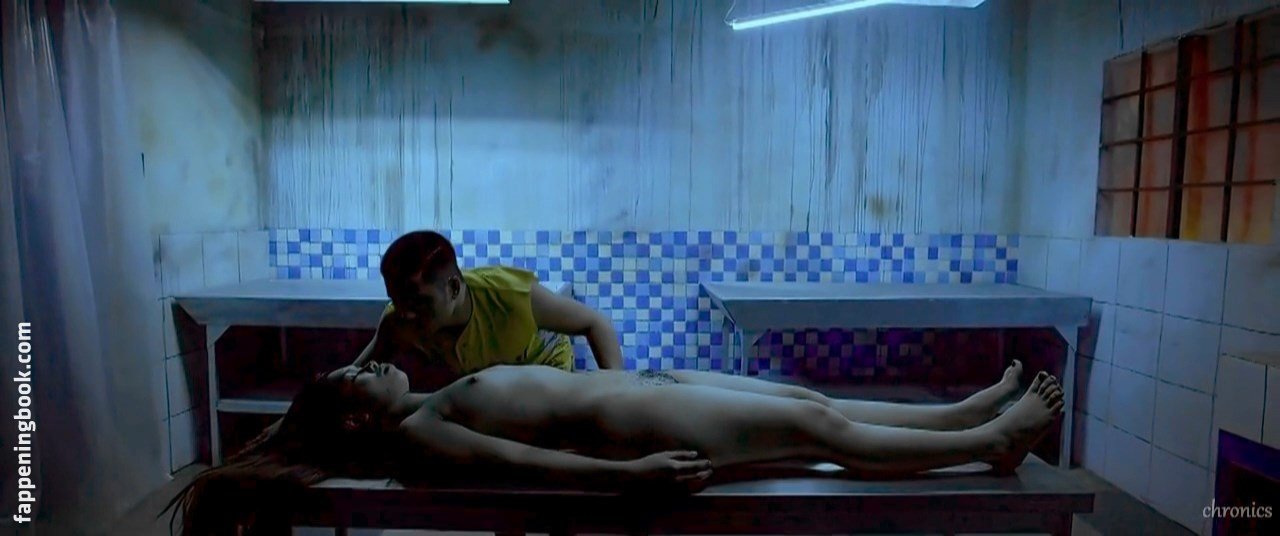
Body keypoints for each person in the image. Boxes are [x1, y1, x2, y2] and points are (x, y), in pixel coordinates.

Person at [164, 360, 1063, 534]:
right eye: (358, 376)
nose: (372, 363)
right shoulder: (419, 432)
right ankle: (990, 444)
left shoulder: (425, 401)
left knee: (804, 402)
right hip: (643, 430)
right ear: (359, 420)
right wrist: (622, 477)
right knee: (814, 434)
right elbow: (521, 466)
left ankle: (960, 417)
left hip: (648, 393)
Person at [353, 230, 624, 383]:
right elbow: (352, 375)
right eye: (396, 299)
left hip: (545, 370)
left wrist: (618, 393)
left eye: (418, 302)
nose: (406, 312)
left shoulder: (510, 297)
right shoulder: (398, 322)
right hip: (486, 386)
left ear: (454, 288)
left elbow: (596, 323)